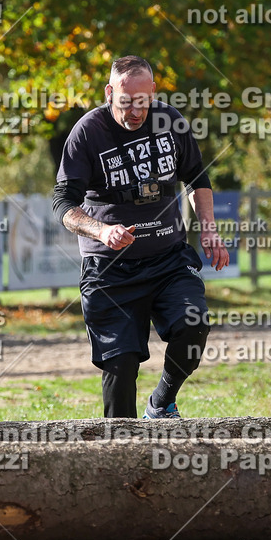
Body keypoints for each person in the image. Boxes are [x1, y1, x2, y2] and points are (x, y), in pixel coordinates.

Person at [52, 55, 229, 419]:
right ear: (109, 93)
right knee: (121, 368)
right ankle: (120, 448)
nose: (134, 112)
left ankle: (161, 402)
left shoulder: (170, 122)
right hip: (109, 269)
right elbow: (63, 203)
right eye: (124, 102)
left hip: (169, 259)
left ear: (153, 92)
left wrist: (209, 228)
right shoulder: (88, 132)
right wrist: (101, 230)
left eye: (142, 102)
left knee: (193, 326)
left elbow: (196, 177)